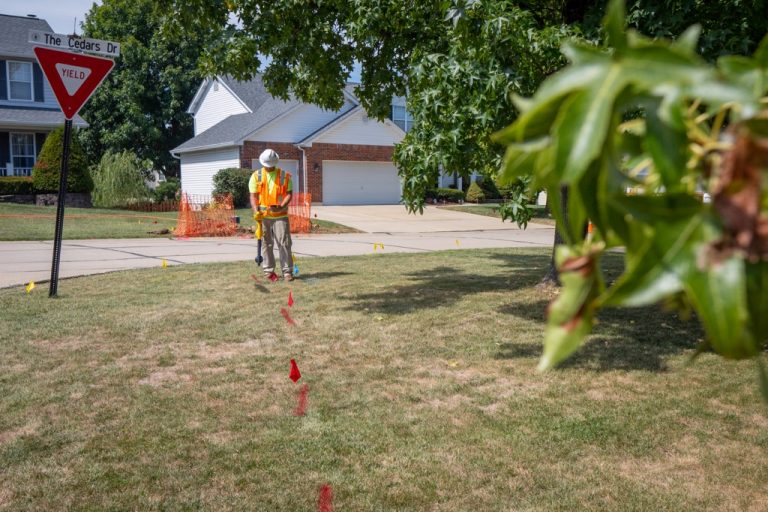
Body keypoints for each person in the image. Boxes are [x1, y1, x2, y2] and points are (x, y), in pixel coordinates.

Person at [249, 149, 295, 281]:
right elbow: (253, 196)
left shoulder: (284, 176)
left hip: (280, 216)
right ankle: (268, 271)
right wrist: (255, 211)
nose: (269, 168)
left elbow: (289, 194)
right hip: (263, 217)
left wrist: (281, 206)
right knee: (266, 243)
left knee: (284, 243)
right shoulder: (256, 176)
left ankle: (287, 272)